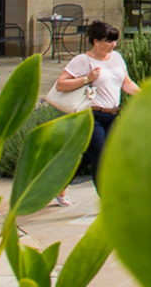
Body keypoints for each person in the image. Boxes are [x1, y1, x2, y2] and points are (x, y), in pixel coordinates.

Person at [51, 21, 139, 206]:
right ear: (96, 41)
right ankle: (109, 204)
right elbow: (60, 84)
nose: (113, 45)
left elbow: (126, 83)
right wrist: (86, 79)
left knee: (85, 157)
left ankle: (58, 185)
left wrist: (146, 93)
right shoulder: (83, 60)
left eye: (114, 41)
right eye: (109, 41)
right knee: (101, 156)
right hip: (91, 116)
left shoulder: (116, 58)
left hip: (112, 115)